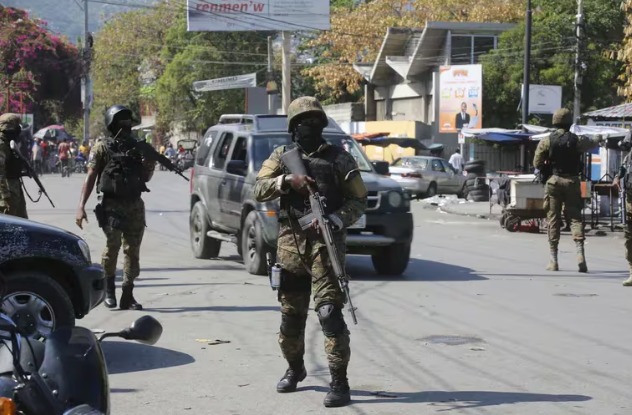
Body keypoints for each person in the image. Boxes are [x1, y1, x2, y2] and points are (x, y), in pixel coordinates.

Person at [254, 96, 368, 408]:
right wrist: (286, 180)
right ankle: (295, 368)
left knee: (329, 314)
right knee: (291, 317)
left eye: (315, 121)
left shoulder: (339, 159)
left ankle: (339, 382)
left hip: (325, 246)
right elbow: (258, 187)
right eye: (303, 122)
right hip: (290, 245)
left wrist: (335, 218)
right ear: (293, 127)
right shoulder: (281, 156)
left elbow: (359, 200)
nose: (310, 127)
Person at [75, 105, 156, 310]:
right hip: (111, 205)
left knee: (133, 251)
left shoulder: (138, 147)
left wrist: (150, 160)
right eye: (121, 121)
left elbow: (145, 177)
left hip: (135, 205)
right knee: (112, 248)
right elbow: (91, 176)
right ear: (112, 123)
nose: (126, 125)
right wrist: (81, 205)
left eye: (129, 122)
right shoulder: (102, 147)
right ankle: (109, 290)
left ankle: (128, 294)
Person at [533, 108, 603, 272]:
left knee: (553, 219)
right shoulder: (576, 140)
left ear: (555, 121)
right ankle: (580, 256)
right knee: (575, 219)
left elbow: (537, 163)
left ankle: (553, 260)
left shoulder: (547, 141)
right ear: (570, 122)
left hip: (554, 182)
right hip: (573, 181)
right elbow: (593, 143)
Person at [613, 133, 632, 286]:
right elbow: (623, 168)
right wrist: (618, 177)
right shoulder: (629, 157)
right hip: (631, 198)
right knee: (630, 236)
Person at [0, 113, 28, 218]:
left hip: (15, 190)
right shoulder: (1, 144)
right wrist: (5, 197)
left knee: (23, 224)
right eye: (17, 127)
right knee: (10, 227)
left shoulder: (10, 143)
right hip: (7, 193)